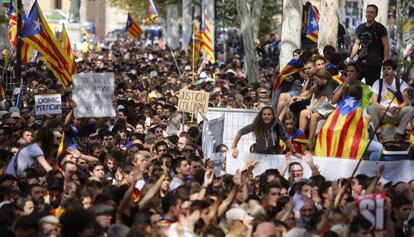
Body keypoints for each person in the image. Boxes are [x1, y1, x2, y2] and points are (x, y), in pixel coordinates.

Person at [368, 60, 414, 141]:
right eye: (384, 69)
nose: (385, 71)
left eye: (388, 69)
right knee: (371, 108)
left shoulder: (400, 82)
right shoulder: (378, 83)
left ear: (394, 71)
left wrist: (398, 108)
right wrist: (387, 109)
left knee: (410, 109)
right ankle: (378, 133)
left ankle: (399, 133)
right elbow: (373, 102)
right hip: (383, 114)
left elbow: (406, 102)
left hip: (397, 113)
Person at [231, 106, 300, 157]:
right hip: (258, 154)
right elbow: (240, 132)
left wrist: (294, 152)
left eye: (269, 114)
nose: (266, 116)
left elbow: (286, 139)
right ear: (261, 116)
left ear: (273, 116)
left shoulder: (277, 124)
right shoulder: (256, 125)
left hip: (274, 155)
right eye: (264, 114)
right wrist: (234, 147)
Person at [349, 4, 389, 86]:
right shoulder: (360, 27)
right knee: (351, 84)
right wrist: (351, 57)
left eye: (372, 12)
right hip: (360, 62)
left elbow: (386, 45)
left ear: (376, 15)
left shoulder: (380, 28)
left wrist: (385, 60)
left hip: (374, 64)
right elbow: (356, 44)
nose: (369, 14)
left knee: (372, 88)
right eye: (368, 12)